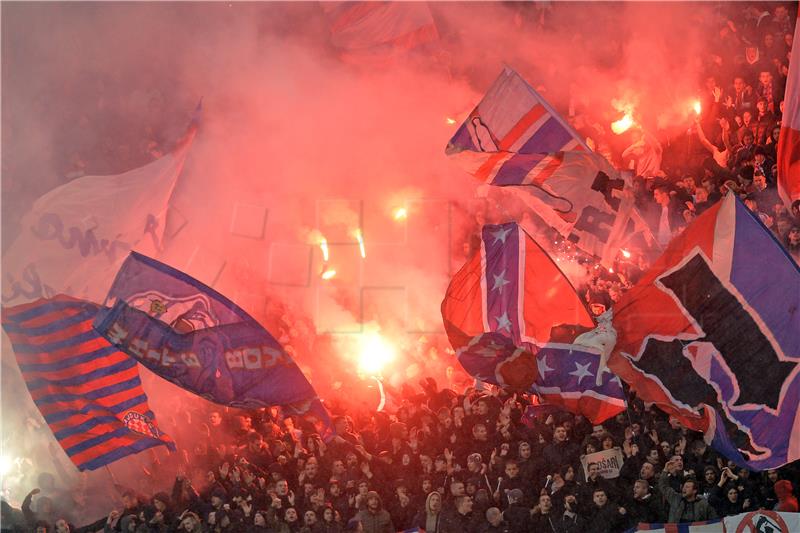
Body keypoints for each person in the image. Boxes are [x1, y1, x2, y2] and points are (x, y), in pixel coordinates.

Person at [657, 459, 717, 523]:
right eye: (684, 487)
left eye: (687, 487)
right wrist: (665, 470)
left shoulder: (703, 504)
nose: (684, 489)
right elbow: (663, 486)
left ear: (694, 490)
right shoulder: (675, 498)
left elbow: (714, 521)